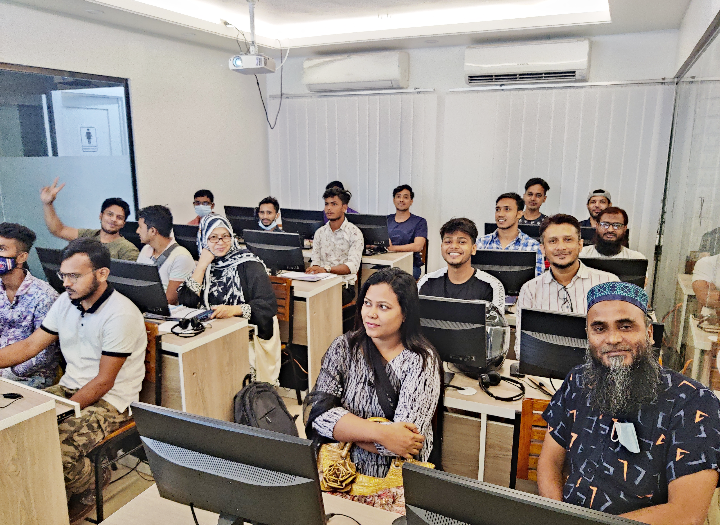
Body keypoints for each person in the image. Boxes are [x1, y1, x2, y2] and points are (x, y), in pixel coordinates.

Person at [538, 282, 720, 522]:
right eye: (599, 329)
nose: (613, 339)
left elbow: (686, 514)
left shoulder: (692, 402)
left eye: (626, 326)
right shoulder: (578, 381)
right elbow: (549, 461)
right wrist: (556, 516)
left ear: (649, 333)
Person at [0, 238, 147, 522]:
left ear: (102, 274)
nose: (66, 283)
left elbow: (104, 381)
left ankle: (91, 480)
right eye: (63, 275)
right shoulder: (66, 302)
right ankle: (40, 493)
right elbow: (30, 346)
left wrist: (59, 413)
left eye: (75, 276)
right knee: (17, 427)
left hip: (111, 401)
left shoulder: (121, 314)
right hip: (70, 388)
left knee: (53, 447)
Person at [304, 268, 441, 486]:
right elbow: (318, 415)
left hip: (397, 481)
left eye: (383, 307)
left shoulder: (421, 360)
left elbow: (404, 443)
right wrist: (381, 433)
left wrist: (345, 427)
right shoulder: (344, 347)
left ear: (405, 313)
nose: (371, 313)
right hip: (339, 474)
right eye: (367, 303)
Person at [176, 215, 281, 384]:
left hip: (247, 334)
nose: (221, 242)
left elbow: (268, 305)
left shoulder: (249, 264)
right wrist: (201, 266)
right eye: (213, 237)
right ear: (203, 240)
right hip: (210, 332)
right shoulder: (205, 266)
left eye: (225, 236)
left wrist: (233, 310)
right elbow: (187, 302)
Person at [516, 214, 618, 357]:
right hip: (545, 366)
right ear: (543, 249)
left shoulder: (608, 283)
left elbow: (616, 339)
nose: (561, 247)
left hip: (596, 366)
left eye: (568, 240)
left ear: (580, 245)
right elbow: (522, 347)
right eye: (553, 241)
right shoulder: (530, 289)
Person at [0, 222, 60, 388]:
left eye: (2, 249)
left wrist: (6, 373)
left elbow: (43, 355)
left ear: (21, 257)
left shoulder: (44, 296)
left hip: (31, 378)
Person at [40, 177, 139, 261]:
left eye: (119, 217)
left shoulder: (128, 250)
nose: (113, 219)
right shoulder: (88, 235)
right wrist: (48, 204)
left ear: (123, 223)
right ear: (100, 216)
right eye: (110, 214)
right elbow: (59, 230)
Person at [418, 218, 505, 311]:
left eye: (462, 242)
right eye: (448, 242)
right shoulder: (426, 281)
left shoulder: (492, 285)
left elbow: (496, 320)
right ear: (442, 247)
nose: (454, 246)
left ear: (473, 249)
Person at [307, 187, 364, 306]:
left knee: (320, 302)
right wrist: (314, 269)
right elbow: (315, 262)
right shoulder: (320, 233)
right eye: (326, 204)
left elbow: (352, 267)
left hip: (343, 286)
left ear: (344, 207)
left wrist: (326, 269)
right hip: (320, 283)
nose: (329, 208)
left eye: (334, 204)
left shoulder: (354, 233)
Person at [135, 205, 195, 305]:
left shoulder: (181, 256)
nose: (137, 231)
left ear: (153, 231)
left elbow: (170, 300)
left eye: (140, 227)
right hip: (146, 306)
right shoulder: (145, 250)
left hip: (167, 311)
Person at [476, 192, 544, 277]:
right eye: (498, 209)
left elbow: (538, 280)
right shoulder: (480, 243)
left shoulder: (533, 247)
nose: (500, 214)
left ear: (519, 214)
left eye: (507, 209)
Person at [386, 184, 428, 280]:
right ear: (394, 200)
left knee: (393, 280)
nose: (401, 200)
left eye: (405, 197)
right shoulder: (386, 220)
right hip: (386, 263)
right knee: (368, 276)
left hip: (410, 265)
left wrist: (393, 248)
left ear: (411, 201)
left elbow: (418, 246)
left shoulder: (419, 222)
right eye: (398, 196)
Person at [580, 207, 646, 259]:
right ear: (597, 226)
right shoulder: (581, 255)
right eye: (605, 224)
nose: (610, 230)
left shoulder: (636, 258)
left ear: (625, 228)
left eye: (617, 225)